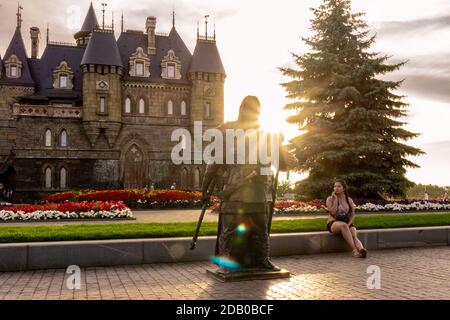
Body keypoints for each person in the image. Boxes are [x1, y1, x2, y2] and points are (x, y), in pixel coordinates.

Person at [201, 96, 295, 273]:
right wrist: (204, 190)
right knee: (230, 230)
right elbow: (214, 162)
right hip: (235, 189)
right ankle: (226, 263)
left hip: (257, 189)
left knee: (259, 229)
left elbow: (282, 165)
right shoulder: (227, 129)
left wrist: (279, 146)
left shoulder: (265, 133)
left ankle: (262, 260)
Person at [326, 179, 367, 258]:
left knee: (354, 235)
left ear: (344, 188)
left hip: (346, 222)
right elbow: (333, 212)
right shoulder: (330, 199)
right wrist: (336, 200)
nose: (336, 188)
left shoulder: (349, 199)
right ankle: (355, 250)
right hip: (333, 223)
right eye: (335, 186)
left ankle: (362, 250)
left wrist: (349, 224)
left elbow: (352, 214)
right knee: (344, 226)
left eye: (339, 186)